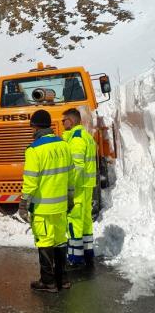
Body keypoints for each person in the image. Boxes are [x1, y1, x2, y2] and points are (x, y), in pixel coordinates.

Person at [18, 109, 74, 292]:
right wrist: (70, 196)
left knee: (44, 242)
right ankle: (62, 279)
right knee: (59, 241)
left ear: (35, 127)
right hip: (60, 205)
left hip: (42, 207)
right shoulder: (64, 145)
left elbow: (31, 181)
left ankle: (48, 282)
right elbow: (71, 175)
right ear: (49, 126)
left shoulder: (34, 149)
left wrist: (24, 203)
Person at [62, 108, 97, 267]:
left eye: (64, 120)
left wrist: (69, 188)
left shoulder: (76, 139)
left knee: (74, 220)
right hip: (87, 185)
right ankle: (88, 253)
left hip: (78, 187)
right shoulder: (87, 136)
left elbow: (77, 166)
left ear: (72, 120)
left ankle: (75, 258)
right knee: (85, 220)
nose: (62, 123)